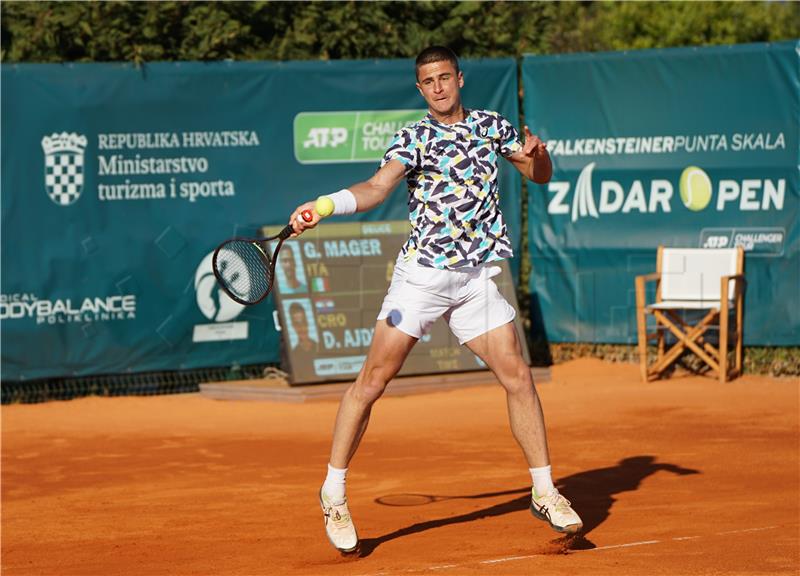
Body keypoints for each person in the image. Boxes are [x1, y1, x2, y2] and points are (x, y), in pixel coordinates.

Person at [290, 46, 582, 554]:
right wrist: (325, 205)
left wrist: (539, 155)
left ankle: (544, 489)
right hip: (422, 278)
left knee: (518, 376)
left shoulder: (492, 126)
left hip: (475, 279)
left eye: (446, 77)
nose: (439, 87)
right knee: (373, 381)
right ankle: (333, 492)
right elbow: (378, 188)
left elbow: (540, 175)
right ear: (420, 89)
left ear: (460, 79)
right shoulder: (414, 138)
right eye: (429, 81)